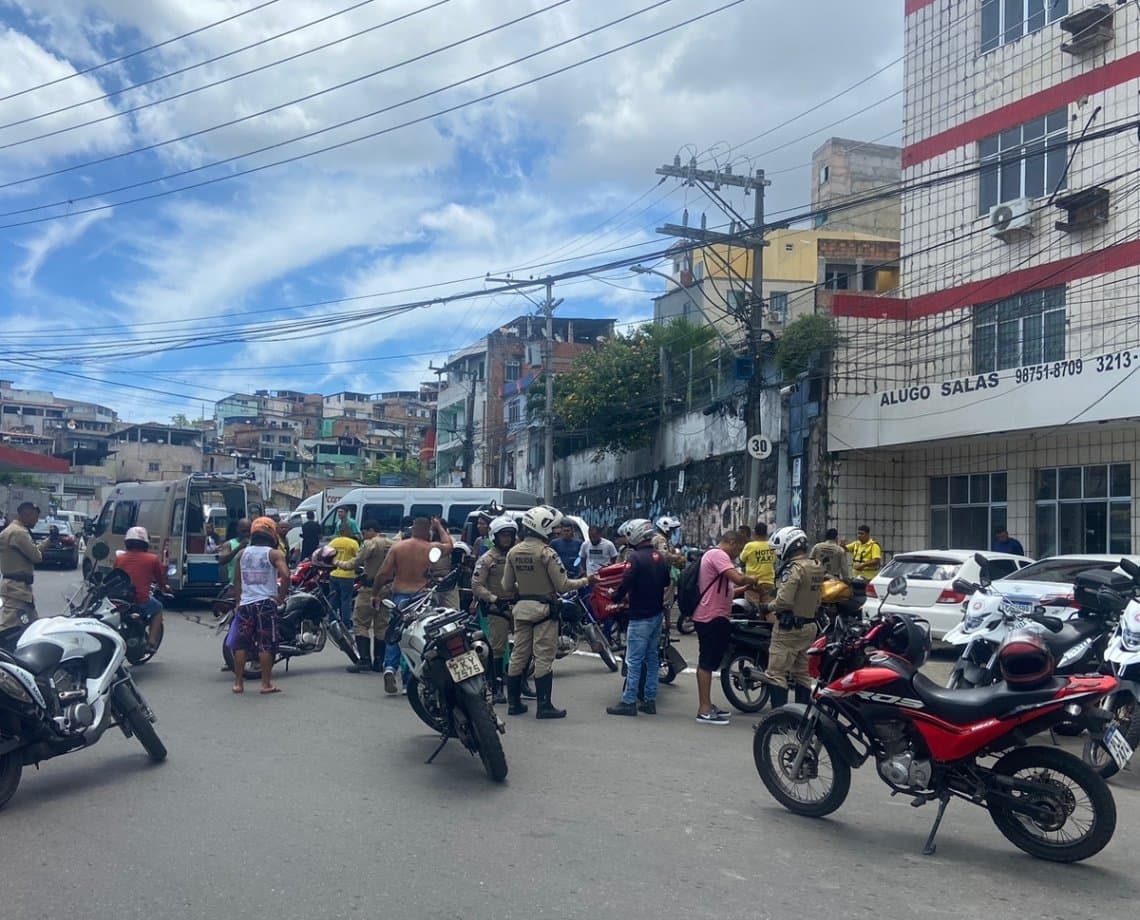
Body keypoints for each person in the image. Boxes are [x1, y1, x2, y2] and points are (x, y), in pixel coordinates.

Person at [500, 506, 595, 719]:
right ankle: (544, 707)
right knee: (543, 657)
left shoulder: (513, 552)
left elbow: (506, 585)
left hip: (522, 610)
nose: (555, 532)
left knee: (519, 655)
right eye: (553, 528)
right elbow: (562, 585)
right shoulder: (546, 553)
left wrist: (525, 589)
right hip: (544, 611)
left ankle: (514, 704)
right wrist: (587, 580)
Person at [373, 517, 454, 694]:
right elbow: (449, 545)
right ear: (427, 531)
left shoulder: (398, 547)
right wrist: (439, 527)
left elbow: (383, 573)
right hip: (422, 596)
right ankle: (409, 679)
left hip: (400, 596)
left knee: (395, 633)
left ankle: (389, 668)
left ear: (413, 529)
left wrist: (375, 593)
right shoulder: (431, 548)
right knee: (416, 637)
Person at [693, 529, 759, 725]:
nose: (738, 554)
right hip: (709, 616)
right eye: (738, 549)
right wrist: (753, 579)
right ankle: (704, 709)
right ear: (731, 542)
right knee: (706, 662)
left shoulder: (716, 557)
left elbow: (731, 590)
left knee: (711, 660)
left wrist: (745, 589)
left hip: (716, 615)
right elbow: (737, 578)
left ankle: (707, 705)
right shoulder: (718, 555)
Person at [606, 519, 670, 717]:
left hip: (640, 616)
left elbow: (626, 583)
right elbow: (667, 582)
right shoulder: (660, 557)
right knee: (651, 659)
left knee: (633, 660)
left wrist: (613, 595)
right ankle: (649, 700)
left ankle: (629, 701)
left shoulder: (634, 558)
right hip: (656, 614)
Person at [757, 527, 826, 707]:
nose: (779, 554)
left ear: (789, 545)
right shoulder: (816, 566)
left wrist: (766, 607)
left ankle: (778, 720)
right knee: (802, 672)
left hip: (788, 628)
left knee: (776, 673)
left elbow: (784, 601)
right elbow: (819, 598)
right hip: (810, 626)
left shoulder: (793, 569)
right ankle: (800, 718)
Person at [226, 516, 290, 694]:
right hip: (265, 604)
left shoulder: (242, 553)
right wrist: (281, 597)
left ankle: (238, 684)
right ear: (272, 533)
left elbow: (237, 581)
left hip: (246, 604)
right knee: (265, 644)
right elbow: (286, 575)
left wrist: (239, 602)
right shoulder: (274, 554)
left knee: (241, 645)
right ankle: (266, 684)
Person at [470, 516, 518, 704]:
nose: (506, 539)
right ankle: (496, 687)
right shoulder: (487, 559)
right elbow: (476, 585)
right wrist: (493, 599)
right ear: (495, 536)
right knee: (498, 649)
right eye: (503, 535)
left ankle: (520, 684)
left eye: (510, 535)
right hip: (496, 608)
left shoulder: (516, 556)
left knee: (523, 647)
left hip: (517, 605)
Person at [336, 520, 392, 673]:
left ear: (372, 530)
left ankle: (364, 660)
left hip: (370, 588)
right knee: (381, 625)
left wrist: (338, 563)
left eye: (364, 532)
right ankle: (379, 662)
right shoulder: (392, 543)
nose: (363, 535)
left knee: (360, 623)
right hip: (387, 588)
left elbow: (355, 562)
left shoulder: (370, 544)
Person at [113, 526, 169, 652]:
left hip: (120, 600)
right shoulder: (152, 559)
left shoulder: (120, 558)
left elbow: (115, 576)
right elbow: (160, 580)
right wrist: (165, 588)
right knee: (158, 608)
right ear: (145, 543)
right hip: (140, 600)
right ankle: (151, 643)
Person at [0, 502, 50, 637]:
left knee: (34, 627)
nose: (36, 521)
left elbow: (33, 551)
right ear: (26, 515)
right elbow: (36, 557)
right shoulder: (19, 533)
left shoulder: (14, 530)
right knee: (7, 628)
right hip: (16, 588)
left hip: (20, 588)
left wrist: (49, 540)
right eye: (35, 517)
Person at [326, 522, 360, 633]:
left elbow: (326, 555)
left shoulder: (333, 542)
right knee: (346, 601)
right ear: (348, 531)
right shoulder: (353, 543)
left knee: (333, 600)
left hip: (334, 574)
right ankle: (346, 626)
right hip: (348, 575)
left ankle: (331, 623)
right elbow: (358, 557)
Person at [652, 515, 686, 616]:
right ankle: (663, 623)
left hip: (658, 572)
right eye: (671, 530)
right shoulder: (660, 539)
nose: (672, 532)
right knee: (665, 600)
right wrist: (677, 557)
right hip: (662, 572)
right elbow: (664, 555)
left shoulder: (659, 538)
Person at [740, 522, 776, 605]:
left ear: (754, 533)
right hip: (769, 582)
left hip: (753, 583)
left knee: (753, 609)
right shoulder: (773, 545)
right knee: (768, 609)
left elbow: (742, 559)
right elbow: (775, 560)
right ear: (766, 533)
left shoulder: (750, 546)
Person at [217, 518, 251, 585]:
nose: (246, 534)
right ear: (238, 529)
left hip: (250, 585)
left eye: (249, 531)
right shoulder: (229, 544)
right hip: (234, 584)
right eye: (244, 531)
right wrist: (239, 547)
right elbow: (222, 561)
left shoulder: (254, 543)